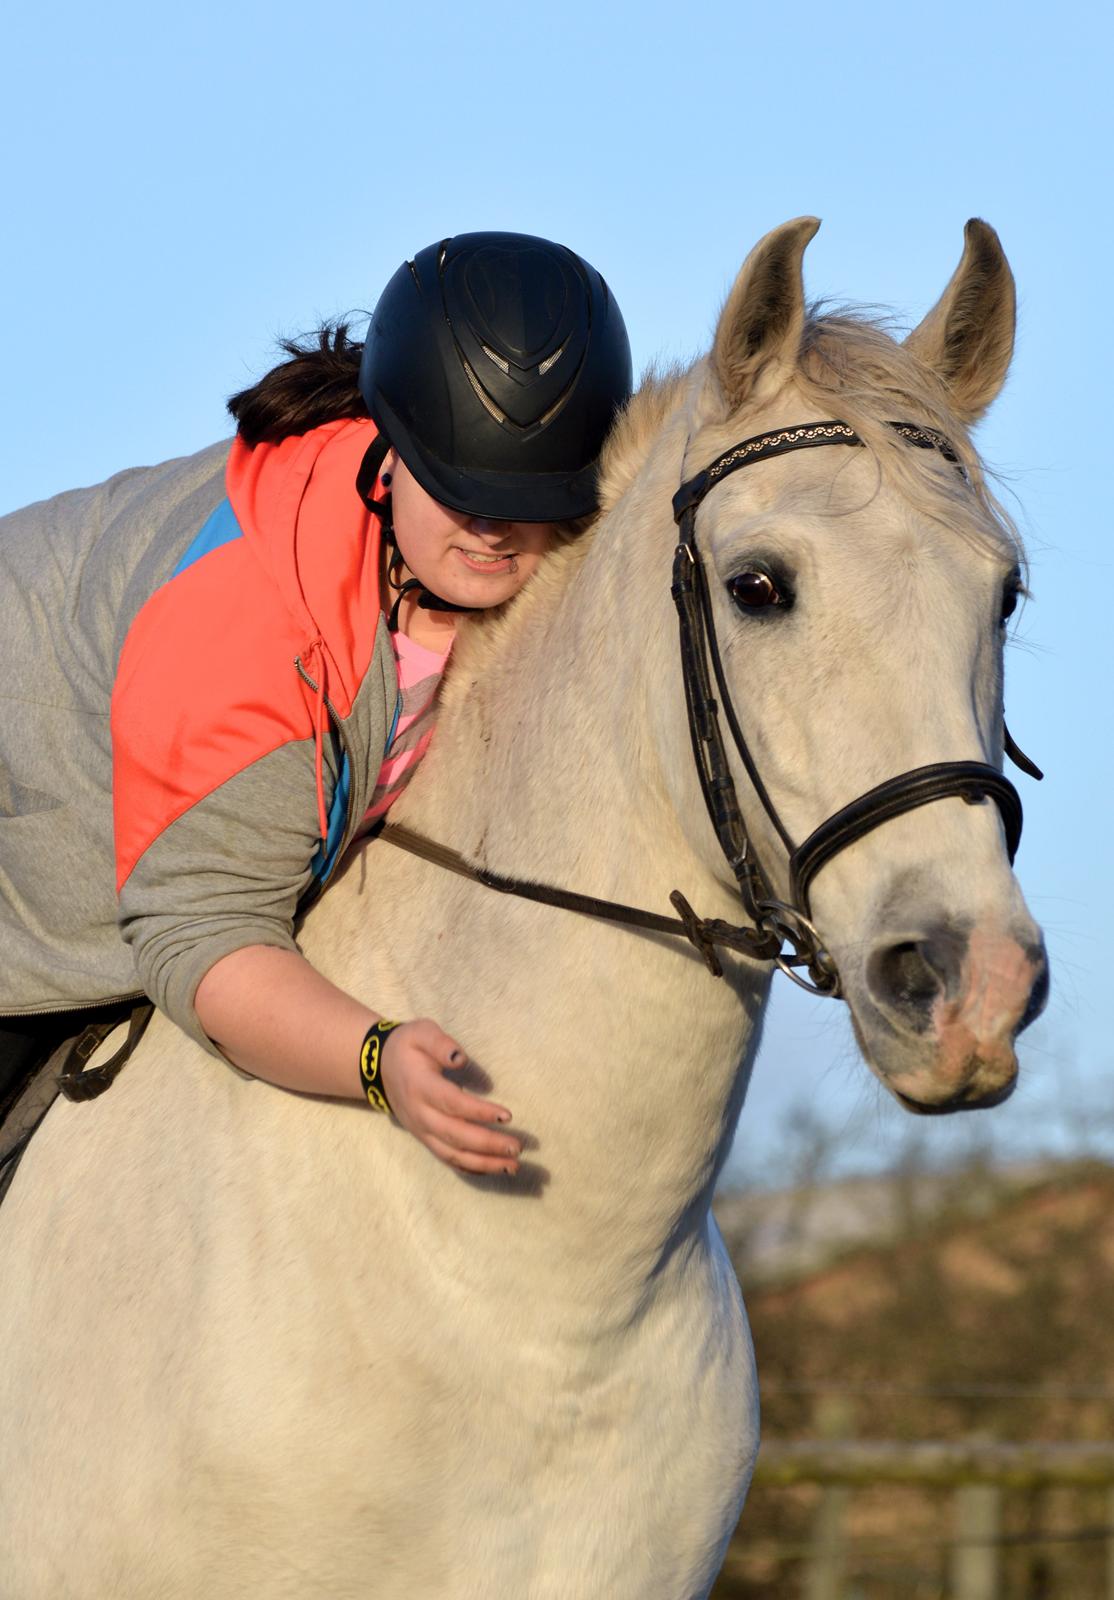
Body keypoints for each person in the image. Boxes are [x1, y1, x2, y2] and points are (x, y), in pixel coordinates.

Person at [0, 230, 632, 1177]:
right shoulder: (251, 616)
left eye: (532, 496)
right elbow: (203, 935)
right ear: (396, 452)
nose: (495, 530)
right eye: (463, 492)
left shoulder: (510, 547)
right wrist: (373, 1059)